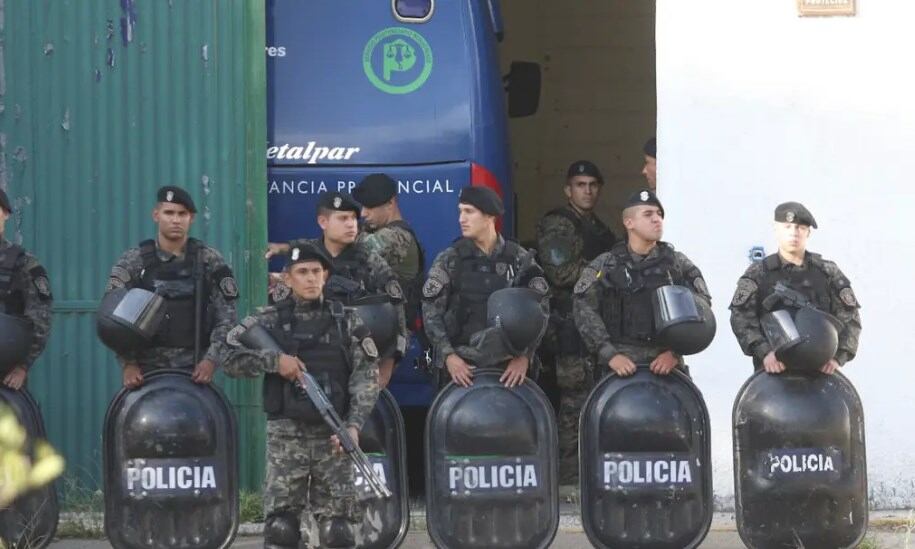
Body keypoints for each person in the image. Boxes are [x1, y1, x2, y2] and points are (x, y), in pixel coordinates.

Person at [218, 242, 380, 549]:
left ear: (326, 276)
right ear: (287, 279)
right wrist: (274, 362)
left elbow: (366, 377)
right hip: (286, 437)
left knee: (339, 531)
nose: (310, 279)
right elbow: (227, 358)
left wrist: (353, 425)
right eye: (301, 272)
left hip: (333, 438)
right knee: (281, 529)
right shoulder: (268, 321)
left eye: (316, 272)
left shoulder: (347, 321)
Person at [265, 192, 407, 388]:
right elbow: (278, 310)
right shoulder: (302, 260)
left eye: (353, 218)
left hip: (355, 369)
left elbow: (396, 313)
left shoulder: (368, 260)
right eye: (343, 218)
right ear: (323, 222)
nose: (351, 224)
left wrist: (388, 364)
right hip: (308, 367)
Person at [102, 186, 238, 388]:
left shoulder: (209, 260)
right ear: (156, 215)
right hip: (145, 370)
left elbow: (227, 316)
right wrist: (128, 364)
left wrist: (210, 361)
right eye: (169, 213)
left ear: (191, 218)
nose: (176, 220)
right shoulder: (134, 260)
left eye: (182, 214)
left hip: (196, 370)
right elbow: (114, 316)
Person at [535, 160, 617, 484]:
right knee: (572, 406)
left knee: (594, 400)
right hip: (569, 326)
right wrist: (606, 274)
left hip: (594, 327)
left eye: (593, 185)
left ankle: (588, 476)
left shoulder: (599, 228)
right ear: (568, 189)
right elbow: (562, 271)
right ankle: (568, 481)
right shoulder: (558, 224)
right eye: (581, 185)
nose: (587, 191)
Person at [573, 190, 711, 379]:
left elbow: (702, 307)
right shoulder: (606, 264)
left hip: (667, 367)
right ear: (629, 223)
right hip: (620, 367)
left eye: (659, 214)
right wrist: (609, 354)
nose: (657, 219)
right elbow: (583, 307)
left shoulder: (677, 264)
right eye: (648, 214)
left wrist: (674, 353)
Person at [421, 186, 549, 389]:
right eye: (460, 211)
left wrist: (525, 357)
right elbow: (430, 312)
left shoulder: (519, 259)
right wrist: (449, 356)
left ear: (490, 216)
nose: (461, 219)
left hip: (508, 368)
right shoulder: (451, 259)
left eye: (469, 212)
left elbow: (541, 310)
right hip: (463, 369)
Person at [729, 202, 861, 374]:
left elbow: (850, 318)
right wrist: (765, 352)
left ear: (808, 233)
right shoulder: (759, 273)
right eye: (787, 227)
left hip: (820, 371)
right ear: (776, 229)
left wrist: (838, 357)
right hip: (774, 369)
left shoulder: (828, 272)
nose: (794, 232)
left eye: (800, 227)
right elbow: (741, 316)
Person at [351, 173, 425, 333]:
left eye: (370, 207)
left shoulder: (397, 236)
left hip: (395, 332)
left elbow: (354, 251)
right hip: (378, 326)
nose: (363, 213)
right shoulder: (375, 230)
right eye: (363, 207)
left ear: (390, 203)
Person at [0, 189, 52, 390]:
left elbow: (41, 316)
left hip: (6, 374)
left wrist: (23, 367)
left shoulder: (23, 263)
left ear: (6, 214)